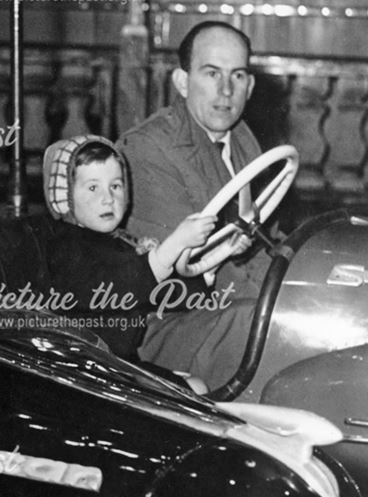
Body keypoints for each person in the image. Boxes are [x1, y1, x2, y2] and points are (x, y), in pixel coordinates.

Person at [41, 135, 250, 385]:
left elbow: (163, 295)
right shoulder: (65, 247)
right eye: (93, 187)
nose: (108, 198)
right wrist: (173, 246)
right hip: (89, 369)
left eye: (116, 186)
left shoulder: (120, 243)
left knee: (202, 380)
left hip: (124, 359)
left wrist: (214, 260)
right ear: (64, 196)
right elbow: (119, 285)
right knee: (196, 388)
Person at [118, 20, 264, 299]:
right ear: (183, 83)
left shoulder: (244, 139)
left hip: (242, 296)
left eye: (238, 76)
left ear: (250, 86)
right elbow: (188, 270)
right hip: (179, 315)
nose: (226, 90)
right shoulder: (147, 148)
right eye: (212, 74)